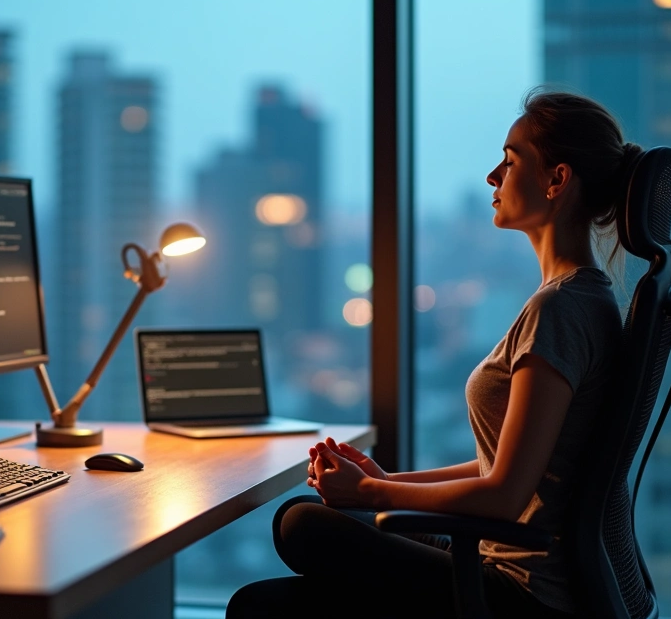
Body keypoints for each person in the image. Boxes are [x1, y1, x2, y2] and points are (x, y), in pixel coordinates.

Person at [226, 89, 642, 618]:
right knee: (260, 601)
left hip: (521, 593)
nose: (493, 177)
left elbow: (503, 496)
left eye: (510, 162)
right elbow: (506, 465)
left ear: (557, 180)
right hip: (509, 567)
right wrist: (381, 480)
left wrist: (374, 494)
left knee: (299, 525)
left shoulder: (559, 310)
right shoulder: (586, 298)